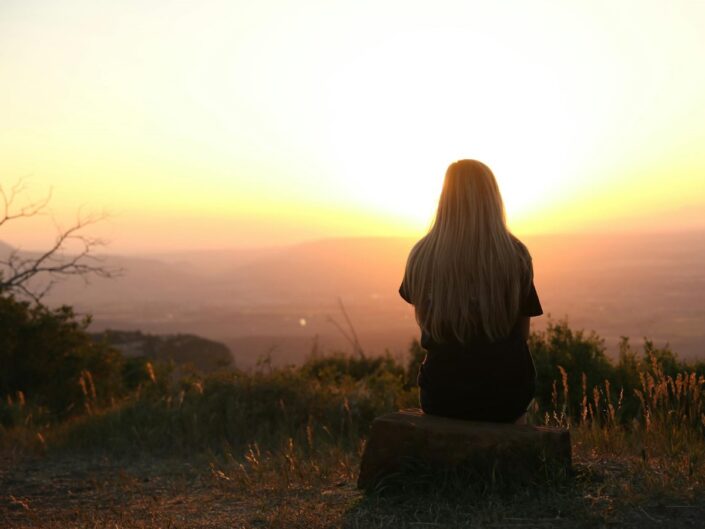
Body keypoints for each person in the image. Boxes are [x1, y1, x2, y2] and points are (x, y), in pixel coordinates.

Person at [399, 159, 543, 423]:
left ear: (444, 199)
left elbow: (427, 322)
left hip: (442, 396)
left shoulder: (421, 256)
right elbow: (521, 336)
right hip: (507, 396)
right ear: (492, 199)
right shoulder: (516, 256)